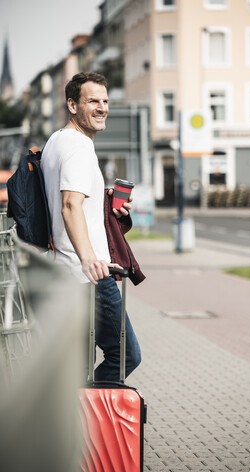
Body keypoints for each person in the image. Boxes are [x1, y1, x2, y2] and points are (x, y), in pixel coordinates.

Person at [41, 72, 141, 381]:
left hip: (65, 271)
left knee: (80, 361)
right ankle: (86, 420)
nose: (102, 108)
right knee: (126, 355)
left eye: (105, 101)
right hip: (90, 275)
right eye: (92, 101)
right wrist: (89, 260)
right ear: (72, 105)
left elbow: (73, 203)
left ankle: (74, 420)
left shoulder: (56, 141)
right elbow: (69, 205)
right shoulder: (79, 148)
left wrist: (107, 203)